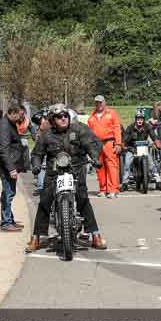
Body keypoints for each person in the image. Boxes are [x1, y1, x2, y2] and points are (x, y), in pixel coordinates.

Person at [26, 104, 107, 252]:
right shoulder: (46, 134)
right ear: (52, 119)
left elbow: (92, 143)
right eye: (59, 117)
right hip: (54, 172)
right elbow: (37, 153)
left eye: (65, 116)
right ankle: (36, 238)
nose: (63, 119)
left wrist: (94, 157)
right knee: (45, 200)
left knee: (83, 198)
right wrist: (36, 165)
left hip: (76, 169)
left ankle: (95, 235)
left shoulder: (79, 129)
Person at [0, 103, 27, 232]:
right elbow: (4, 149)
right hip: (6, 167)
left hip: (9, 165)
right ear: (13, 113)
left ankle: (10, 220)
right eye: (20, 115)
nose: (21, 118)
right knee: (8, 194)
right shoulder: (4, 125)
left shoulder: (10, 123)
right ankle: (6, 223)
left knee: (9, 193)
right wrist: (11, 168)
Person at [87, 95, 122, 199]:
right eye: (97, 102)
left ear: (104, 102)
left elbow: (117, 128)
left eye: (101, 102)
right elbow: (89, 133)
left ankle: (113, 190)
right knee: (99, 167)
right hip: (96, 145)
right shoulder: (91, 116)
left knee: (112, 166)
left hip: (109, 142)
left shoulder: (112, 113)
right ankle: (103, 189)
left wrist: (118, 143)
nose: (99, 104)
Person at [121, 110, 161, 192]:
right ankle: (124, 183)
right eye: (138, 119)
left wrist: (157, 142)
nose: (139, 121)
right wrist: (125, 144)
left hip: (143, 148)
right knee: (127, 164)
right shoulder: (130, 127)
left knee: (152, 164)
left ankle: (158, 182)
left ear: (143, 119)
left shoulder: (147, 126)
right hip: (132, 148)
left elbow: (153, 135)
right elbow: (125, 139)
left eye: (141, 119)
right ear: (135, 119)